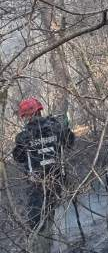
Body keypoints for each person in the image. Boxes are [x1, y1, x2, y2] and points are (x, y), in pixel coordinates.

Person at [13, 98, 75, 231]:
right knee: (56, 214)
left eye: (25, 116)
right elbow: (70, 142)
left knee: (37, 225)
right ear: (39, 111)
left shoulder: (24, 137)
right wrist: (64, 129)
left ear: (28, 115)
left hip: (37, 185)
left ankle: (44, 245)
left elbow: (18, 157)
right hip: (59, 181)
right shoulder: (56, 127)